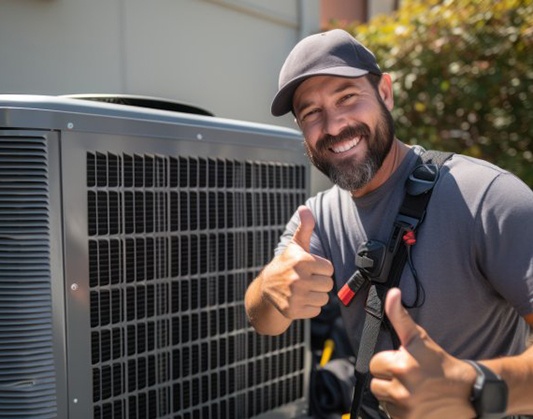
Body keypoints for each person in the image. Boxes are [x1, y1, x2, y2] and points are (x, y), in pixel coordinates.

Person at [244, 28, 533, 418]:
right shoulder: (318, 218)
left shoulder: (487, 197)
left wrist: (472, 388)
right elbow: (264, 320)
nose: (333, 126)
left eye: (347, 97)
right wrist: (270, 290)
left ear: (385, 93)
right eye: (311, 113)